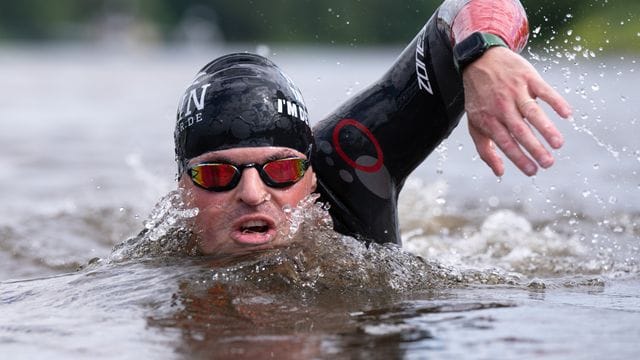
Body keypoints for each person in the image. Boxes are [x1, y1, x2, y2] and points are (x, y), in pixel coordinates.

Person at [174, 0, 572, 255]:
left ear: (312, 175)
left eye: (281, 170)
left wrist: (483, 52)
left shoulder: (347, 163)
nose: (253, 194)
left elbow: (477, 3)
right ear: (182, 191)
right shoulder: (149, 265)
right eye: (216, 175)